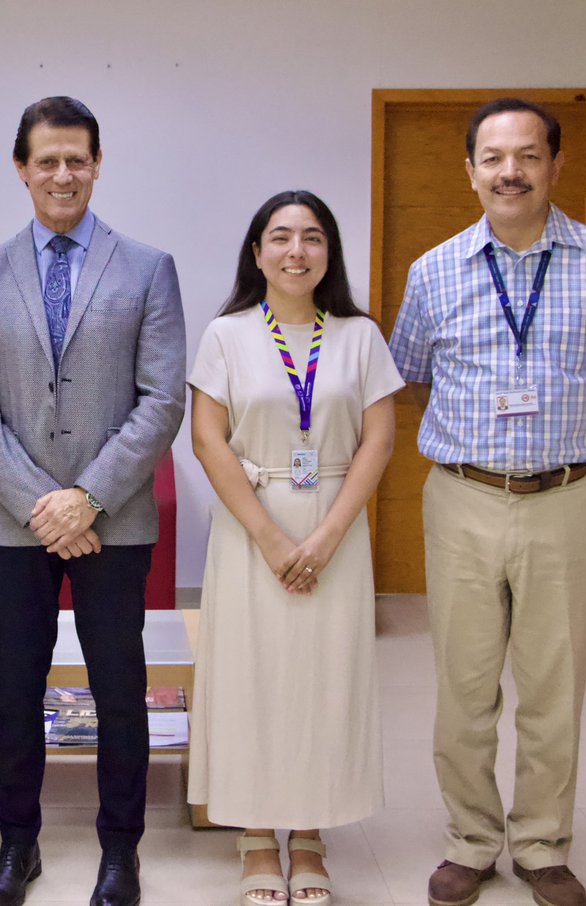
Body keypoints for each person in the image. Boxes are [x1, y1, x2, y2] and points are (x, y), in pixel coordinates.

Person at [388, 98, 586, 906]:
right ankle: (471, 840)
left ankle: (543, 843)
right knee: (464, 685)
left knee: (555, 685)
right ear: (470, 169)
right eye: (494, 157)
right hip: (464, 498)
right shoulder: (434, 269)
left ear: (555, 164)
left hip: (569, 498)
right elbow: (410, 376)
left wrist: (565, 438)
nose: (511, 171)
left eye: (529, 155)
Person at [0, 96, 185, 906]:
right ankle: (18, 845)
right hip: (15, 527)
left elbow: (161, 401)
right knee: (16, 688)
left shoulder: (148, 267)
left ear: (96, 164)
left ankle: (120, 851)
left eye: (76, 159)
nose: (62, 174)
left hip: (114, 523)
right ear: (21, 168)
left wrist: (85, 499)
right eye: (46, 160)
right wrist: (43, 506)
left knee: (118, 688)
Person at [187, 191, 403, 906]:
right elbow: (207, 440)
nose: (296, 251)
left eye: (312, 237)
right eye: (280, 237)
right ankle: (254, 836)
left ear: (328, 253)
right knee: (252, 677)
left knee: (324, 679)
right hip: (252, 528)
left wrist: (330, 533)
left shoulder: (360, 337)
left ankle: (309, 835)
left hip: (337, 524)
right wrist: (273, 538)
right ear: (256, 252)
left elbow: (379, 439)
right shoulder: (226, 334)